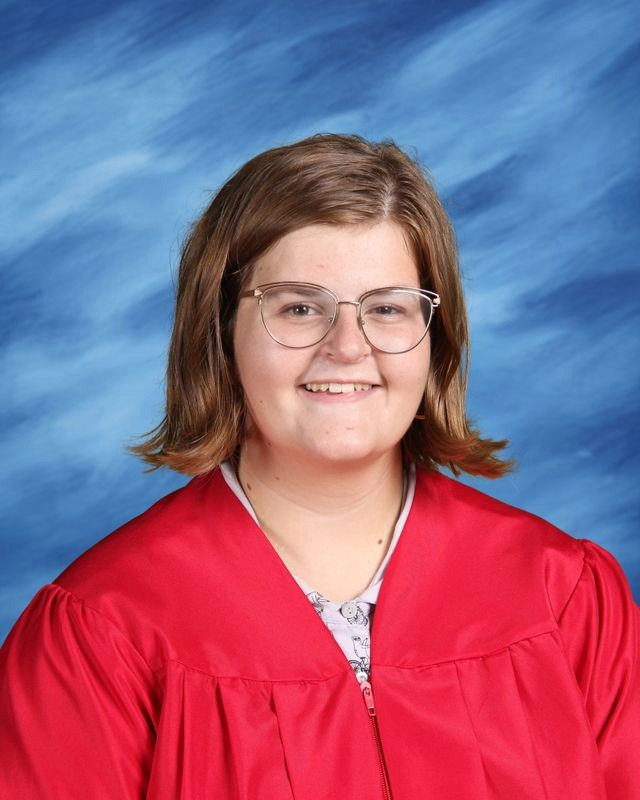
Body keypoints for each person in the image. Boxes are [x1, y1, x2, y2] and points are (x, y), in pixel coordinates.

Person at [0, 133, 638, 799]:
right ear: (220, 332)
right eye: (300, 308)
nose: (348, 346)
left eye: (387, 308)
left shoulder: (561, 595)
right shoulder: (106, 629)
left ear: (434, 336)